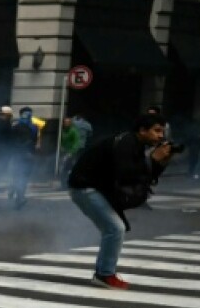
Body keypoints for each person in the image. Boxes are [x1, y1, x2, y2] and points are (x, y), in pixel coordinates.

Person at [68, 111, 174, 290]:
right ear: (142, 130)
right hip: (85, 187)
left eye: (162, 131)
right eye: (156, 130)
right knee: (115, 228)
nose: (161, 136)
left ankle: (104, 273)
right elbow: (127, 174)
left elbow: (143, 176)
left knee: (115, 228)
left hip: (97, 188)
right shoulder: (126, 143)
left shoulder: (136, 144)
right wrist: (151, 160)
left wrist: (159, 163)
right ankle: (104, 275)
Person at [8, 107, 40, 208]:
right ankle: (19, 197)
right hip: (20, 155)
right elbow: (14, 142)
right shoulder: (17, 126)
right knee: (20, 176)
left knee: (23, 176)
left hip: (27, 155)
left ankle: (18, 195)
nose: (29, 115)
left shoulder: (33, 127)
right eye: (27, 113)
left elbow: (35, 142)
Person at [57, 116, 82, 189]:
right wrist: (61, 147)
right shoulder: (63, 130)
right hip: (64, 152)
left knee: (70, 169)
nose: (65, 123)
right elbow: (61, 141)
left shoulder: (73, 131)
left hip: (71, 153)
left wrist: (71, 152)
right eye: (64, 122)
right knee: (63, 170)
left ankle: (72, 184)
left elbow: (76, 142)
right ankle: (64, 185)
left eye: (67, 122)